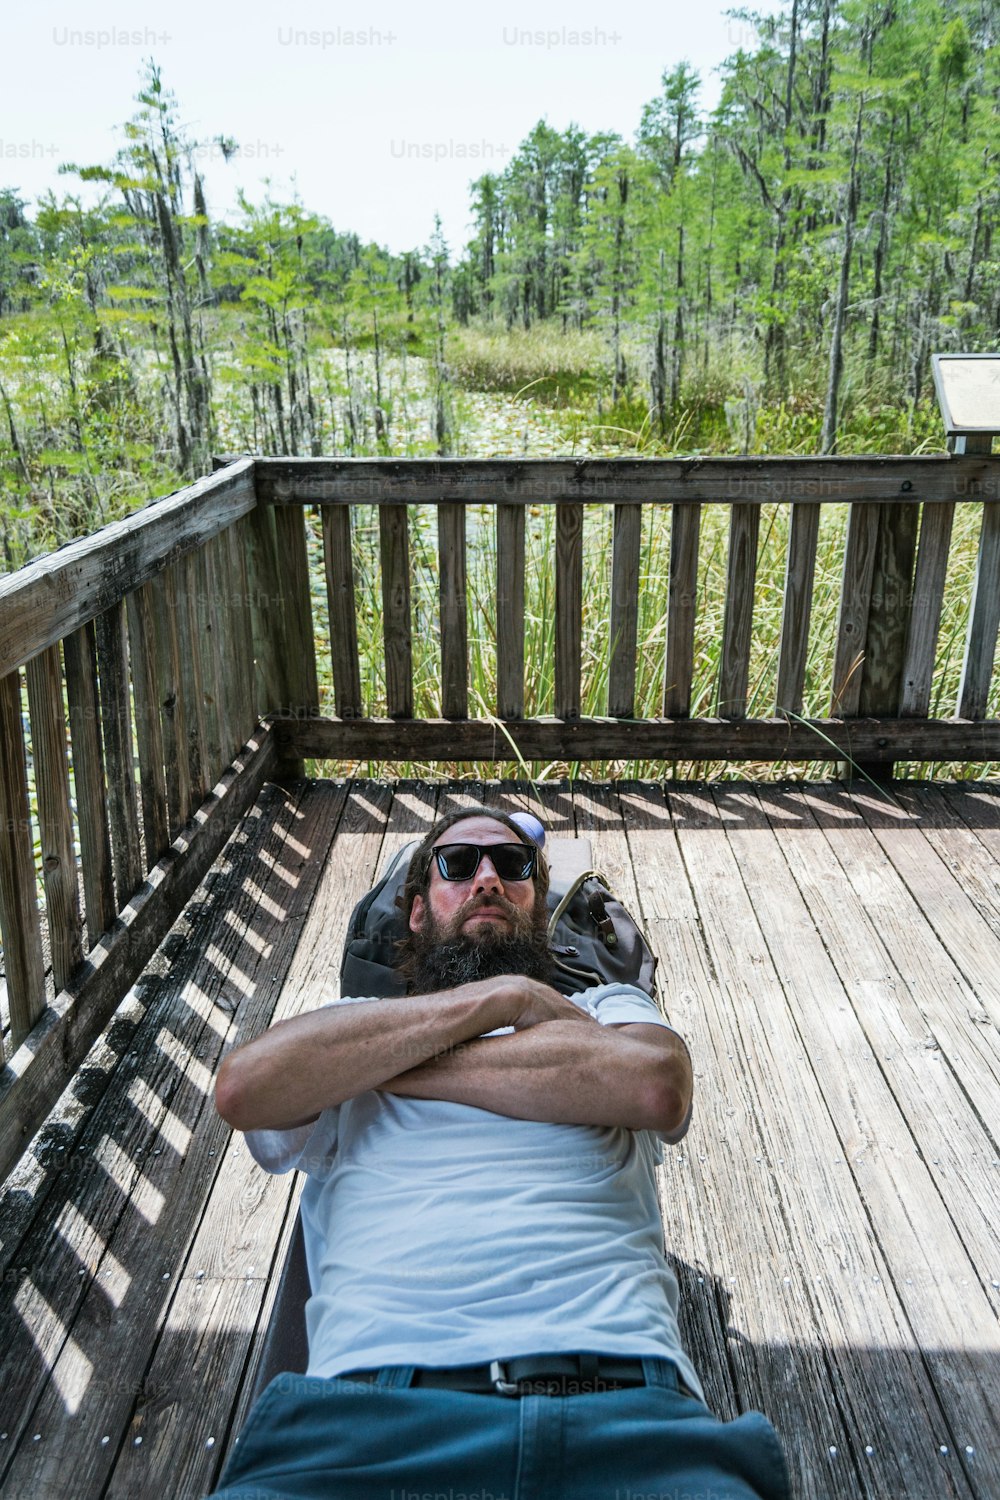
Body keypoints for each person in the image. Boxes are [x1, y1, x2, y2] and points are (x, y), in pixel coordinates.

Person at [210, 807, 790, 1500]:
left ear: (537, 905)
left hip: (627, 1414)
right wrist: (503, 998)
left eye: (513, 867)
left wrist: (375, 1070)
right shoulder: (349, 1026)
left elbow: (656, 1087)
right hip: (368, 1426)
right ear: (418, 912)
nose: (489, 878)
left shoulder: (607, 1006)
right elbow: (245, 1089)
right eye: (459, 865)